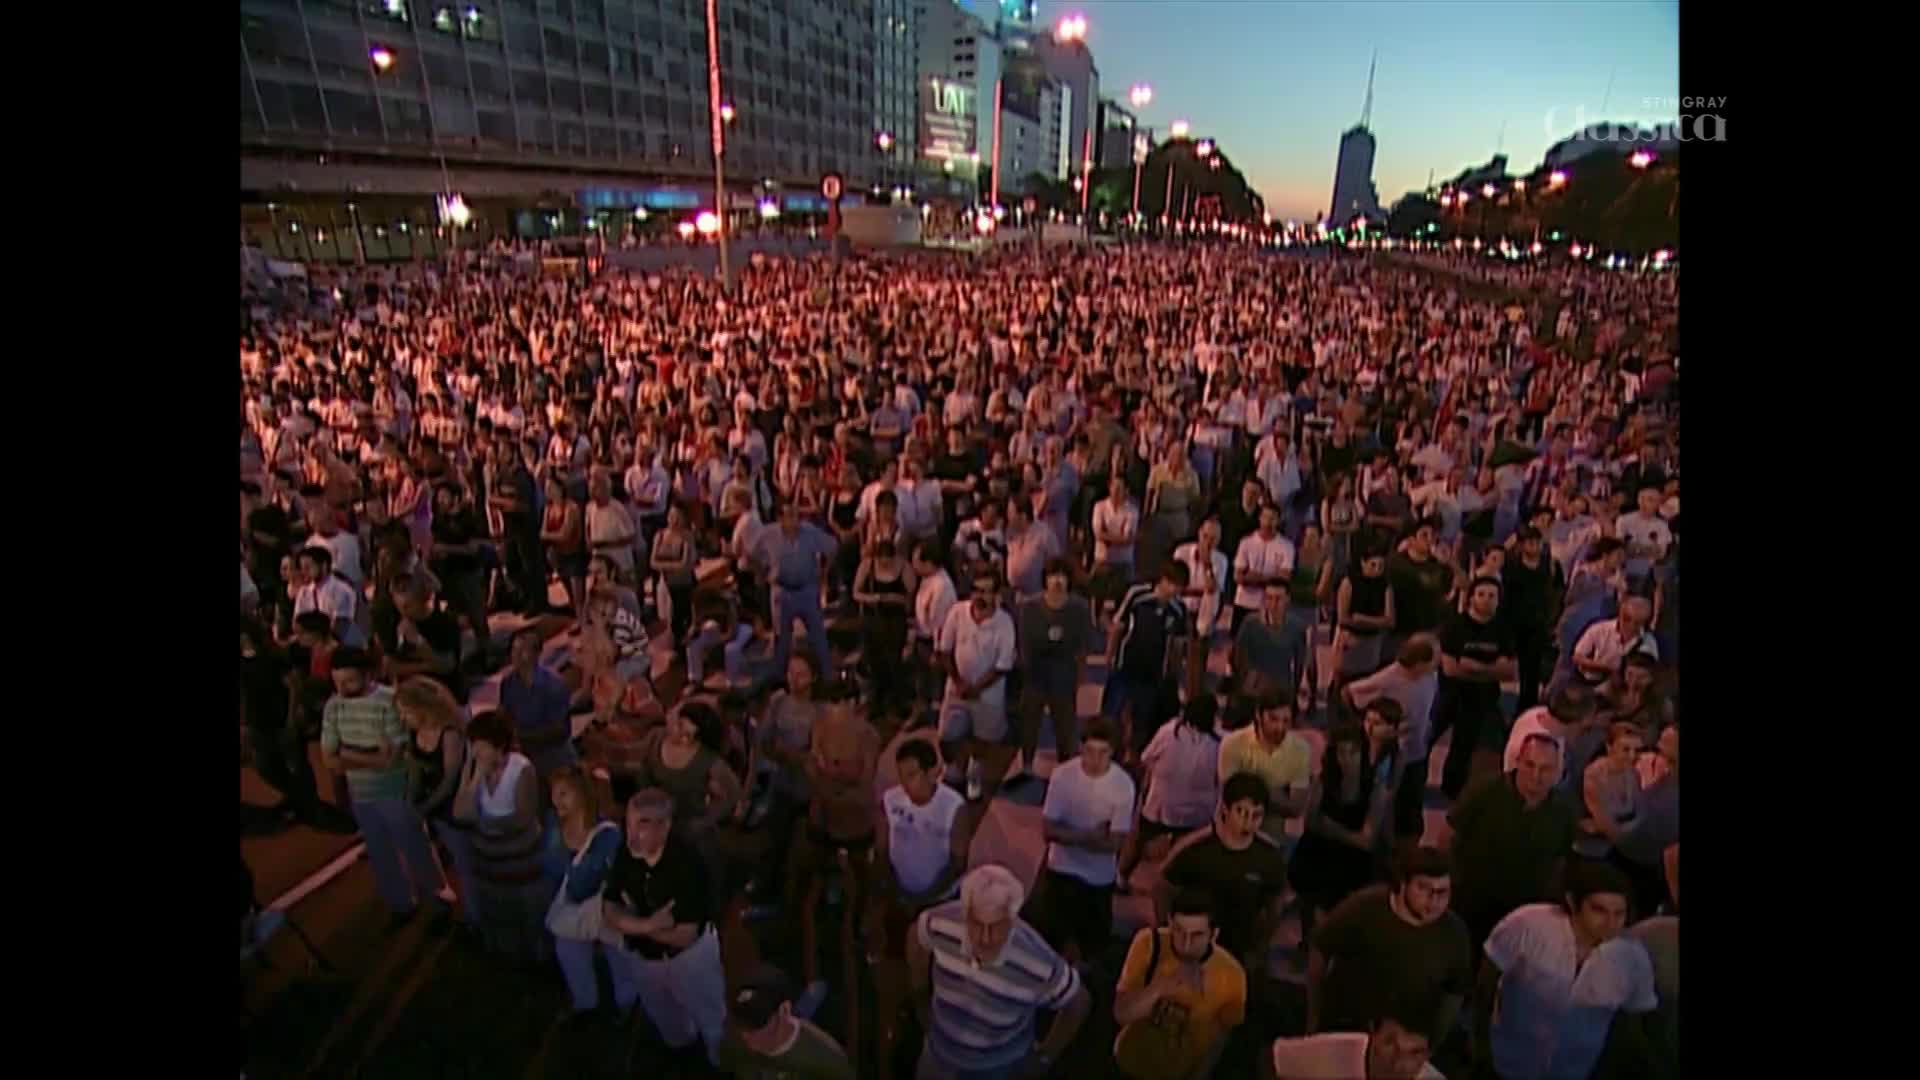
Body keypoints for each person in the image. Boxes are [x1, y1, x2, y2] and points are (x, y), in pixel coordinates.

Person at [907, 863, 1093, 1080]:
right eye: (977, 924)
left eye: (996, 926)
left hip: (996, 1069)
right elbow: (915, 937)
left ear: (1013, 919)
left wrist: (1045, 1055)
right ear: (964, 912)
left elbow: (1079, 1002)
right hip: (939, 1057)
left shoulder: (1037, 960)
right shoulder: (939, 922)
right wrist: (920, 996)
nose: (986, 938)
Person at [1474, 861, 1658, 1080]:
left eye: (1619, 914)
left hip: (1574, 1070)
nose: (1610, 923)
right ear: (1572, 902)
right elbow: (1485, 982)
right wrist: (1479, 1046)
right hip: (1506, 1061)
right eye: (1599, 910)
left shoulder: (1632, 958)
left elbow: (1630, 1023)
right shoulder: (1528, 924)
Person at [319, 646, 449, 930]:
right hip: (362, 795)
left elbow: (390, 759)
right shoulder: (333, 705)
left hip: (396, 792)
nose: (342, 689)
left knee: (417, 849)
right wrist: (369, 756)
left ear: (368, 675)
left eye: (349, 682)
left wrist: (348, 753)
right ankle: (401, 904)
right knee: (380, 854)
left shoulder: (389, 702)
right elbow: (329, 759)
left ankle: (439, 903)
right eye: (337, 682)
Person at [598, 788, 728, 1068]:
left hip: (690, 960)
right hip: (644, 959)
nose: (631, 835)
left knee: (711, 1019)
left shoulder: (687, 864)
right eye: (629, 824)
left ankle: (721, 1064)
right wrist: (649, 924)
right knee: (667, 1021)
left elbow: (684, 935)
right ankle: (681, 1059)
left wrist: (630, 923)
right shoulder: (628, 851)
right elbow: (609, 910)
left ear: (665, 826)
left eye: (642, 825)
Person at [868, 739, 976, 1078]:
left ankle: (939, 1023)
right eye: (902, 776)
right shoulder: (891, 800)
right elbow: (882, 849)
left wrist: (925, 898)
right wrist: (891, 889)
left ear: (934, 772)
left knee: (938, 964)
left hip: (939, 903)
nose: (907, 784)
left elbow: (958, 863)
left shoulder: (953, 807)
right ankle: (908, 1016)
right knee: (900, 956)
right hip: (900, 898)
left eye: (914, 775)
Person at [1306, 846, 1470, 1046]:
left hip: (1405, 1042)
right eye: (1423, 888)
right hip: (1348, 1029)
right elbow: (1320, 947)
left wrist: (1434, 1042)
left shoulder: (1454, 932)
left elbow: (1454, 993)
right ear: (1403, 884)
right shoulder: (1365, 907)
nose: (1434, 900)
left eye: (1442, 892)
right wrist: (1313, 1017)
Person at [1289, 708, 1404, 961]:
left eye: (1352, 752)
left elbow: (1366, 840)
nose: (1345, 758)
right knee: (1306, 893)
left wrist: (1330, 828)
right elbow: (1310, 821)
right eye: (1340, 752)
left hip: (1350, 861)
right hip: (1317, 851)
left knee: (1340, 910)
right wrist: (1336, 831)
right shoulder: (1325, 780)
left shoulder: (1375, 787)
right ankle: (1307, 941)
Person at [1446, 734, 1576, 950]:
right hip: (1471, 900)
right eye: (1530, 765)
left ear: (1557, 772)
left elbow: (1561, 861)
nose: (1536, 776)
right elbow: (1448, 834)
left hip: (1521, 910)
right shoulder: (1485, 790)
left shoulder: (1564, 811)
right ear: (1517, 761)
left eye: (1546, 769)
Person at [1024, 719, 1135, 963]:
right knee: (1046, 941)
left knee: (1094, 949)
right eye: (1089, 751)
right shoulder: (1062, 776)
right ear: (1080, 749)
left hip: (1099, 878)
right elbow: (1048, 831)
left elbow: (1115, 844)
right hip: (1060, 868)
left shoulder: (1123, 786)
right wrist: (1090, 836)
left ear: (1112, 752)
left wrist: (1069, 836)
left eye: (1102, 753)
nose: (1095, 759)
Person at [1112, 889, 1249, 1080]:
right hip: (1129, 1064)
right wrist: (1158, 988)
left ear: (1213, 934)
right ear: (1169, 923)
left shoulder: (1232, 973)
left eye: (1197, 935)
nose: (1185, 944)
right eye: (1179, 931)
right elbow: (1122, 1014)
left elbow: (1220, 1039)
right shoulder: (1149, 943)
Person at [1157, 773, 1291, 967]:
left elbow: (1275, 905)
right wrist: (1168, 934)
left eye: (1256, 815)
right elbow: (1162, 887)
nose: (1248, 821)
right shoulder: (1197, 847)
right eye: (1241, 812)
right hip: (1195, 948)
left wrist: (1261, 945)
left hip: (1240, 950)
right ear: (1225, 810)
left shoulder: (1268, 856)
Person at [452, 709, 548, 964]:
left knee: (527, 914)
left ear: (499, 747)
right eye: (472, 745)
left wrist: (486, 824)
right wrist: (475, 779)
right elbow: (460, 812)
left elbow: (523, 817)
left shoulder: (521, 769)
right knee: (497, 912)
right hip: (489, 862)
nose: (474, 752)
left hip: (521, 861)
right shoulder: (472, 768)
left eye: (480, 746)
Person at [395, 676, 477, 935]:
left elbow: (450, 779)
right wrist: (411, 801)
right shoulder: (416, 732)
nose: (402, 717)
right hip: (434, 808)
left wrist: (425, 807)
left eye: (406, 711)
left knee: (467, 867)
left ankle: (477, 920)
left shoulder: (450, 733)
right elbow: (416, 769)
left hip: (455, 808)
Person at [1118, 694, 1223, 891]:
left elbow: (1145, 759)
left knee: (1138, 838)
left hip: (1161, 807)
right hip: (1197, 815)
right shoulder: (1219, 744)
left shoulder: (1168, 732)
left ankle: (1121, 877)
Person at [544, 764, 624, 1020]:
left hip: (608, 909)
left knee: (621, 957)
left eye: (564, 793)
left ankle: (627, 1004)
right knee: (568, 951)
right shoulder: (554, 825)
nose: (556, 800)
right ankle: (584, 1002)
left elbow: (583, 883)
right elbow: (549, 868)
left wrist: (571, 866)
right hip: (573, 910)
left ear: (582, 794)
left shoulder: (607, 834)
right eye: (554, 792)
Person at [1343, 634, 1441, 842]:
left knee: (1413, 807)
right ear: (1419, 663)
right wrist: (1366, 727)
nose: (1438, 662)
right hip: (1395, 756)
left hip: (1418, 752)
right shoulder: (1389, 678)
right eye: (1434, 659)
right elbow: (1349, 692)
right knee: (1388, 805)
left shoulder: (1430, 676)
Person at [935, 568, 1018, 803]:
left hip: (989, 694)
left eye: (987, 591)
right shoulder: (957, 612)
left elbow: (1003, 666)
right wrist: (960, 683)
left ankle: (974, 771)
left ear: (996, 594)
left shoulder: (1005, 623)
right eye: (977, 590)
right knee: (946, 736)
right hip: (956, 690)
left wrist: (977, 689)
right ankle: (953, 770)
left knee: (983, 741)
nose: (981, 596)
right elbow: (943, 651)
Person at [1431, 577, 1516, 802]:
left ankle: (1451, 792)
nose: (1486, 600)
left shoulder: (1503, 629)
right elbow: (1450, 669)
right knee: (1425, 738)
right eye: (1481, 594)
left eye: (1492, 596)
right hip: (1449, 695)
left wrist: (1472, 666)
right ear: (1471, 598)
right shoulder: (1455, 626)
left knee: (1463, 747)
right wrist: (1491, 669)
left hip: (1482, 699)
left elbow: (1509, 672)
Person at [1015, 558, 1095, 783]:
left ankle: (1066, 769)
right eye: (1053, 576)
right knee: (1030, 722)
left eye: (1062, 576)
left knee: (1065, 725)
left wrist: (1080, 676)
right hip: (1035, 674)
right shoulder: (1029, 608)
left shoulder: (1079, 608)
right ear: (1045, 580)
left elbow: (1083, 646)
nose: (1057, 581)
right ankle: (1027, 766)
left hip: (1064, 672)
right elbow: (1024, 646)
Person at [1102, 562, 1191, 760]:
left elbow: (1178, 645)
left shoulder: (1178, 609)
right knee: (1111, 714)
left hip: (1152, 674)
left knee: (1141, 721)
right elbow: (1118, 626)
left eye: (1179, 587)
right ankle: (1109, 755)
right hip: (1125, 666)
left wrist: (1174, 676)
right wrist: (1109, 655)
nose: (1175, 591)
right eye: (1173, 585)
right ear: (1163, 580)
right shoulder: (1137, 595)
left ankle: (1134, 760)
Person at [718, 964, 858, 1080]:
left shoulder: (826, 1062)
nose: (746, 1035)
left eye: (757, 1023)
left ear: (784, 1010)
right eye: (743, 1023)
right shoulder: (733, 1044)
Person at [1217, 692, 1313, 853]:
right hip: (1230, 835)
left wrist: (1253, 787)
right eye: (1273, 719)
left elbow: (1296, 808)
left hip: (1272, 841)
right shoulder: (1233, 743)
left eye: (1286, 721)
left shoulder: (1300, 750)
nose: (1280, 727)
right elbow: (1231, 798)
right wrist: (1277, 795)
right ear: (1258, 716)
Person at [753, 500, 838, 674]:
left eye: (797, 515)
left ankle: (827, 675)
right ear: (780, 518)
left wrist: (824, 571)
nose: (796, 520)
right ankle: (780, 679)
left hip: (807, 590)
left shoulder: (810, 531)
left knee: (818, 637)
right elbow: (752, 555)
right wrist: (762, 573)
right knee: (781, 641)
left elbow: (833, 547)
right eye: (790, 515)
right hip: (781, 592)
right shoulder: (767, 534)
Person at [1264, 1003, 1444, 1080]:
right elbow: (1270, 1060)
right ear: (1373, 1033)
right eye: (1390, 1043)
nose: (1399, 1063)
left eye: (1414, 1053)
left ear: (1429, 1054)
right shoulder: (1337, 1050)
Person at [497, 626, 576, 796]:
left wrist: (522, 737)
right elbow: (503, 716)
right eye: (514, 650)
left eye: (522, 650)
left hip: (553, 755)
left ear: (537, 653)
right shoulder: (508, 683)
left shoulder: (553, 685)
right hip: (523, 752)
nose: (516, 655)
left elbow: (561, 731)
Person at [854, 539, 919, 727]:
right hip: (872, 619)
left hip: (895, 621)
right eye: (882, 560)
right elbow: (856, 593)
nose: (885, 564)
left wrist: (896, 599)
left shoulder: (904, 568)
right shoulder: (867, 566)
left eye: (888, 561)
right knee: (873, 659)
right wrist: (875, 597)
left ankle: (895, 702)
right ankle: (876, 702)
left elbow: (910, 596)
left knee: (893, 661)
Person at [1574, 722, 1644, 862]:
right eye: (1626, 749)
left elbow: (1641, 814)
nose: (1632, 756)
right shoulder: (1593, 775)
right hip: (1590, 853)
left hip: (1617, 850)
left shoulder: (1633, 773)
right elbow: (1608, 827)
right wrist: (1627, 826)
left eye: (1637, 750)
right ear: (1609, 747)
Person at [1233, 584, 1309, 707]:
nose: (1273, 604)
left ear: (1287, 599)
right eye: (1269, 598)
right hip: (1254, 689)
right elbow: (1238, 658)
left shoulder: (1297, 627)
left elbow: (1299, 664)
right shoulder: (1251, 623)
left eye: (1278, 598)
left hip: (1281, 690)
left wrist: (1294, 693)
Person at [1331, 545, 1395, 685]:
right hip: (1349, 640)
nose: (1377, 570)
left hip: (1372, 642)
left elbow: (1390, 620)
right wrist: (1377, 621)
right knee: (1342, 680)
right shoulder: (1349, 583)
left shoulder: (1384, 585)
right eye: (1373, 565)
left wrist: (1362, 619)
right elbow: (1343, 618)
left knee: (1367, 681)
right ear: (1363, 562)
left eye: (1380, 566)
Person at [1231, 503, 1295, 636]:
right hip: (1243, 602)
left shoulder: (1287, 546)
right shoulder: (1246, 542)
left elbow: (1284, 579)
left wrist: (1252, 577)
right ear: (1260, 518)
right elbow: (1238, 576)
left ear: (1278, 520)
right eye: (1265, 517)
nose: (1268, 522)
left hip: (1270, 607)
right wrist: (1270, 578)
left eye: (1273, 518)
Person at [540, 474, 588, 623]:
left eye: (550, 487)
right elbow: (542, 532)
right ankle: (578, 619)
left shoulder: (571, 508)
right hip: (558, 555)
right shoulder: (549, 508)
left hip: (574, 555)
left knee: (579, 595)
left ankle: (584, 624)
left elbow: (565, 535)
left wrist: (549, 535)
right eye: (546, 487)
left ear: (560, 488)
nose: (547, 490)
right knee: (570, 594)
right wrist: (551, 536)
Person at [649, 504, 698, 646]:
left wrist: (664, 566)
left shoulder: (687, 537)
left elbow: (686, 565)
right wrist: (673, 567)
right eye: (671, 516)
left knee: (682, 617)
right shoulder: (660, 535)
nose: (674, 520)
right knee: (668, 619)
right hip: (666, 584)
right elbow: (652, 562)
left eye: (677, 517)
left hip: (684, 584)